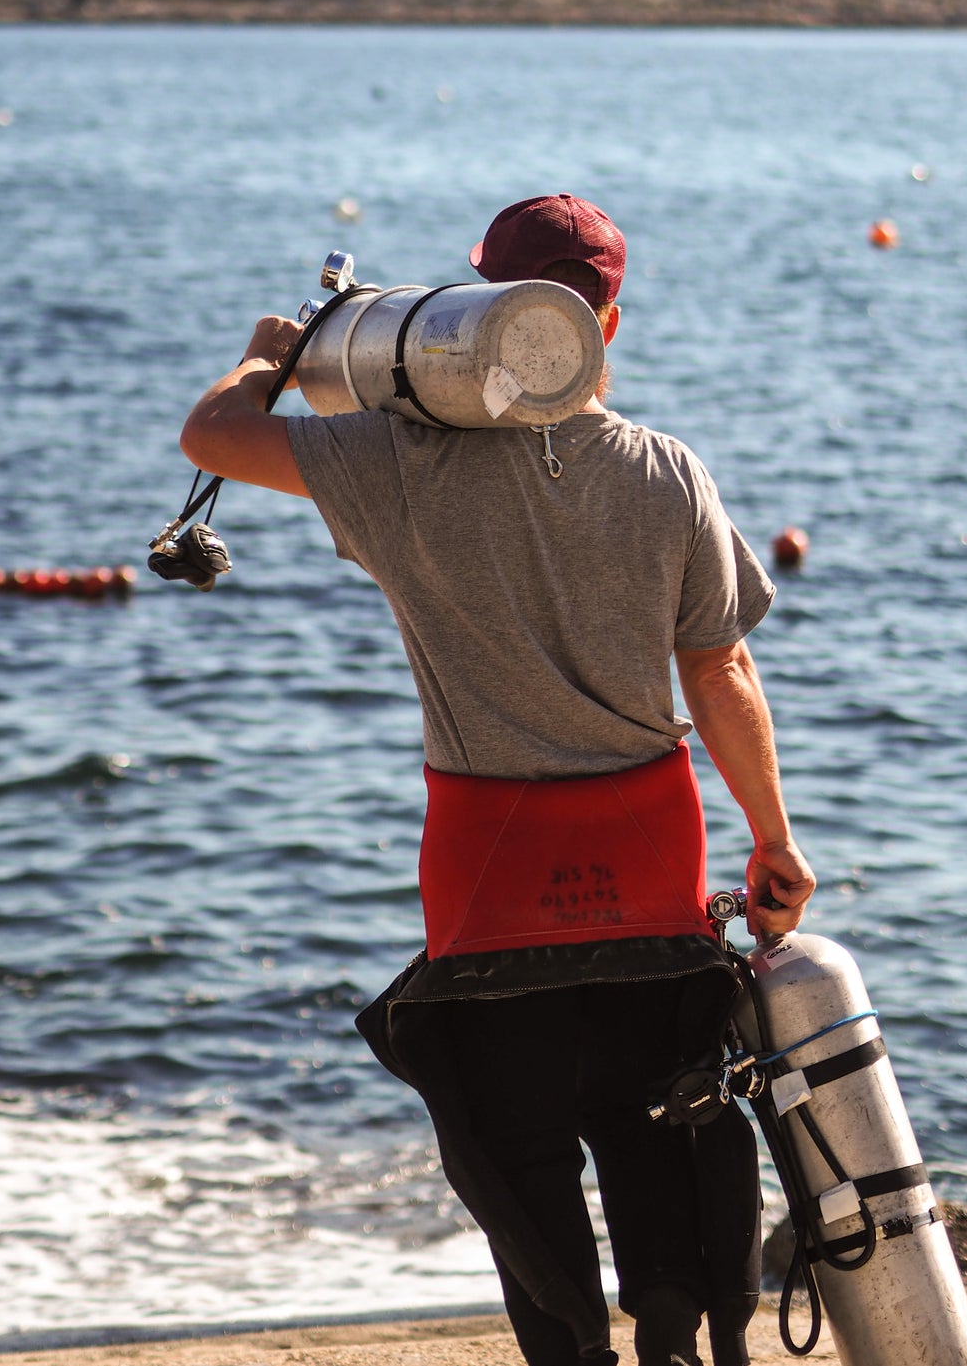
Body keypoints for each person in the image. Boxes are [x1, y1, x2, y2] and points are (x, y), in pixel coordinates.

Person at [180, 193, 816, 1366]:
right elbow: (719, 667)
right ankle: (671, 1335)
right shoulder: (667, 472)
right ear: (605, 324)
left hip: (489, 866)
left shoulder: (398, 461)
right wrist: (772, 838)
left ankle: (572, 1348)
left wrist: (267, 357)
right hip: (649, 855)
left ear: (473, 311)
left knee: (515, 1149)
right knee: (660, 1116)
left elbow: (212, 437)